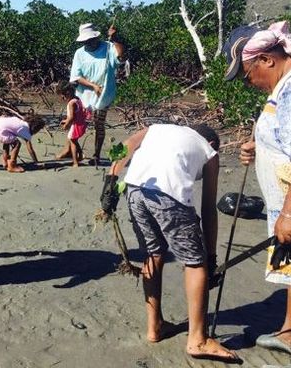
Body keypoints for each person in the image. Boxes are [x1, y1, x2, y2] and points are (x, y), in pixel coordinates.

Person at [100, 123, 239, 362]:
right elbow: (209, 209)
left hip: (134, 189)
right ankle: (198, 340)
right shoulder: (210, 151)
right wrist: (211, 257)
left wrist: (109, 182)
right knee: (196, 263)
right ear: (213, 143)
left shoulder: (158, 128)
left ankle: (155, 327)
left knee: (153, 254)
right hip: (168, 195)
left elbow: (124, 147)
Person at [226, 21, 291, 355]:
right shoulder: (279, 91)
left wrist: (289, 213)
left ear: (267, 59)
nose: (248, 82)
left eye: (247, 73)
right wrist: (256, 146)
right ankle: (288, 332)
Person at [70, 23, 124, 165]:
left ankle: (96, 155)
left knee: (99, 125)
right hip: (84, 95)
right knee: (75, 123)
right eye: (85, 41)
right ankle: (69, 150)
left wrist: (115, 38)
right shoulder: (79, 53)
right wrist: (93, 85)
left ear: (96, 37)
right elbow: (76, 76)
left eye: (90, 40)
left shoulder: (108, 47)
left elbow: (120, 55)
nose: (88, 43)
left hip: (104, 95)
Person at [56, 81, 86, 167]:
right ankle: (80, 155)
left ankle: (75, 162)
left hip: (75, 126)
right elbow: (76, 114)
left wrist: (66, 124)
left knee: (72, 141)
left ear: (67, 93)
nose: (62, 98)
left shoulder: (71, 103)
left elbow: (72, 117)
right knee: (75, 140)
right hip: (81, 124)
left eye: (63, 95)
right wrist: (66, 120)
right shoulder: (77, 99)